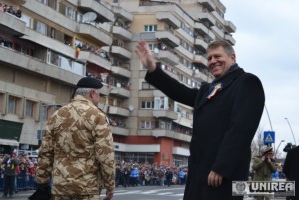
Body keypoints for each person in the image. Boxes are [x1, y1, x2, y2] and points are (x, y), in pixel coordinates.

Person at [136, 40, 265, 200]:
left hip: (222, 178)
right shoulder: (209, 89)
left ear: (232, 57)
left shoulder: (246, 82)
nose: (212, 61)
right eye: (209, 58)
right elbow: (180, 92)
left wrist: (221, 167)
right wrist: (153, 68)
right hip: (199, 177)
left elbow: (241, 130)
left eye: (217, 56)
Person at [29, 76, 115, 200]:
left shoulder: (57, 115)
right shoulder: (97, 116)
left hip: (60, 187)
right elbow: (106, 154)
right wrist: (110, 185)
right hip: (87, 188)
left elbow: (46, 152)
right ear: (92, 93)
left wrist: (41, 181)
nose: (99, 99)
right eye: (99, 95)